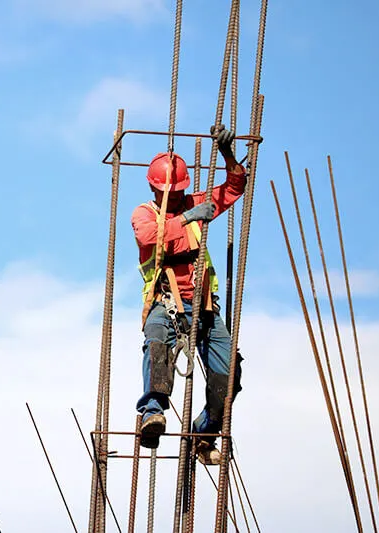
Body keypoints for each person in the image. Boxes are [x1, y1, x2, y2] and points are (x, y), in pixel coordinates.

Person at [130, 124, 245, 465]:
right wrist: (187, 217)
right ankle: (153, 411)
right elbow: (150, 238)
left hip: (204, 307)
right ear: (155, 187)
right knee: (156, 341)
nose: (177, 197)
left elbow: (234, 188)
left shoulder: (194, 203)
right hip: (166, 303)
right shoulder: (144, 214)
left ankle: (203, 433)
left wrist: (227, 155)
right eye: (171, 192)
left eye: (180, 191)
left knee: (229, 380)